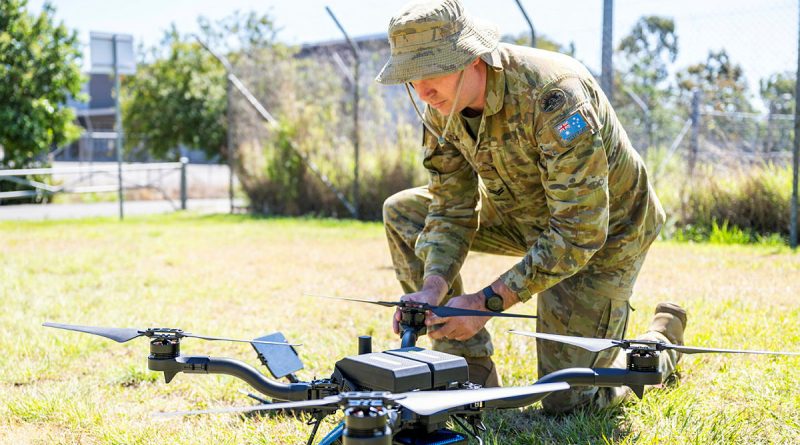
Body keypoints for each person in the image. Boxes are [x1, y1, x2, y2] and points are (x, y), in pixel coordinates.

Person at [376, 0, 687, 414]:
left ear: (471, 57)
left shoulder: (554, 95)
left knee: (570, 401)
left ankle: (659, 345)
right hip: (523, 215)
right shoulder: (439, 108)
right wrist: (434, 286)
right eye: (410, 78)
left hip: (608, 231)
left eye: (431, 71)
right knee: (403, 210)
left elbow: (580, 231)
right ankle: (467, 371)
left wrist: (487, 302)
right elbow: (451, 208)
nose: (422, 90)